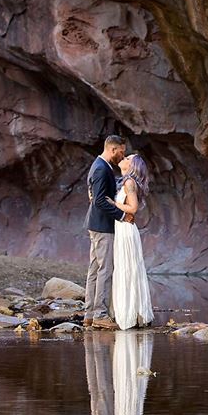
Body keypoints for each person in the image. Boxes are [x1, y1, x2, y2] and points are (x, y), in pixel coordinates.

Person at [84, 136, 132, 330]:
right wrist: (123, 215)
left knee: (95, 269)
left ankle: (89, 314)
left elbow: (94, 195)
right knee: (105, 269)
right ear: (113, 149)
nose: (123, 155)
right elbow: (100, 201)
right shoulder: (101, 168)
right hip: (102, 226)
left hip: (96, 224)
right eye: (121, 151)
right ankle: (100, 315)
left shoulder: (99, 166)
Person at [109, 154, 154, 329]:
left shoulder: (129, 183)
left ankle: (129, 314)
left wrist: (113, 203)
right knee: (124, 268)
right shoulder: (125, 182)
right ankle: (129, 312)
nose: (124, 158)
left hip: (126, 229)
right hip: (122, 228)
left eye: (128, 158)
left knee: (127, 268)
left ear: (132, 165)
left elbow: (133, 208)